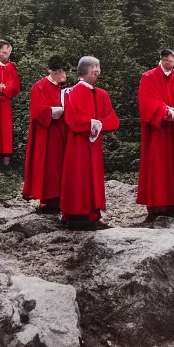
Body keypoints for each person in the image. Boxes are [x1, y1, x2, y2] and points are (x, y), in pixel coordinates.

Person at [59, 56, 120, 230]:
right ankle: (75, 216)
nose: (97, 71)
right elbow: (73, 119)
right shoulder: (72, 92)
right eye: (94, 67)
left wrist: (98, 124)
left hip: (94, 144)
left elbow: (113, 120)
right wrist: (91, 124)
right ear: (84, 70)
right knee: (78, 175)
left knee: (93, 177)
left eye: (98, 67)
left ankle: (92, 214)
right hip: (77, 144)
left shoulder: (101, 94)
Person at [137, 49, 174, 221]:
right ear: (160, 59)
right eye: (166, 60)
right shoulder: (148, 76)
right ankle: (154, 207)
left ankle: (171, 205)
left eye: (172, 60)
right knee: (157, 163)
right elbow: (146, 100)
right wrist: (164, 111)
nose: (169, 63)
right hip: (157, 127)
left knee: (172, 162)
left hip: (173, 128)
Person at [23, 56, 69, 213]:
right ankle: (48, 202)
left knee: (62, 165)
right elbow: (39, 111)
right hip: (47, 133)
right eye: (63, 72)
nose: (66, 76)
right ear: (56, 71)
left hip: (63, 132)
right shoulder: (40, 86)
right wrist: (59, 110)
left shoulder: (63, 88)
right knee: (49, 166)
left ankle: (62, 199)